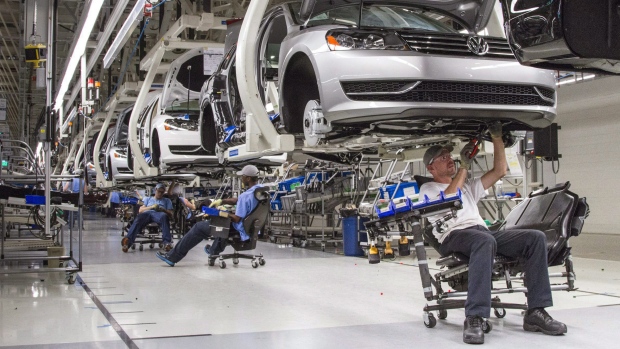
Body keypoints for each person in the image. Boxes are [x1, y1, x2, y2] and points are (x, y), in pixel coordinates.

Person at [418, 122, 566, 345]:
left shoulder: (466, 185)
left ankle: (536, 312)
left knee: (535, 238)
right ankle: (475, 317)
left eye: (450, 155)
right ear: (431, 169)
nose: (449, 159)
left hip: (481, 233)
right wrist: (464, 167)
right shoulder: (428, 189)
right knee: (484, 240)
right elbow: (450, 197)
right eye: (442, 158)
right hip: (455, 236)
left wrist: (497, 139)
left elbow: (500, 171)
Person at [156, 165, 262, 266]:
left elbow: (236, 219)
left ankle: (172, 257)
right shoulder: (260, 191)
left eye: (242, 176)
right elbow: (237, 200)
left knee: (199, 227)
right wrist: (221, 201)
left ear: (248, 178)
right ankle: (213, 251)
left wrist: (221, 212)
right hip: (251, 227)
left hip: (237, 228)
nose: (241, 178)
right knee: (221, 223)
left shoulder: (245, 196)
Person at [121, 183, 174, 252]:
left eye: (162, 192)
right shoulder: (147, 199)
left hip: (159, 214)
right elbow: (140, 210)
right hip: (147, 213)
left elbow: (171, 214)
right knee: (138, 218)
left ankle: (167, 243)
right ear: (155, 190)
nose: (160, 194)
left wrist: (163, 210)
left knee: (164, 217)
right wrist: (151, 207)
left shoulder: (167, 201)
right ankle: (127, 242)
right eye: (159, 191)